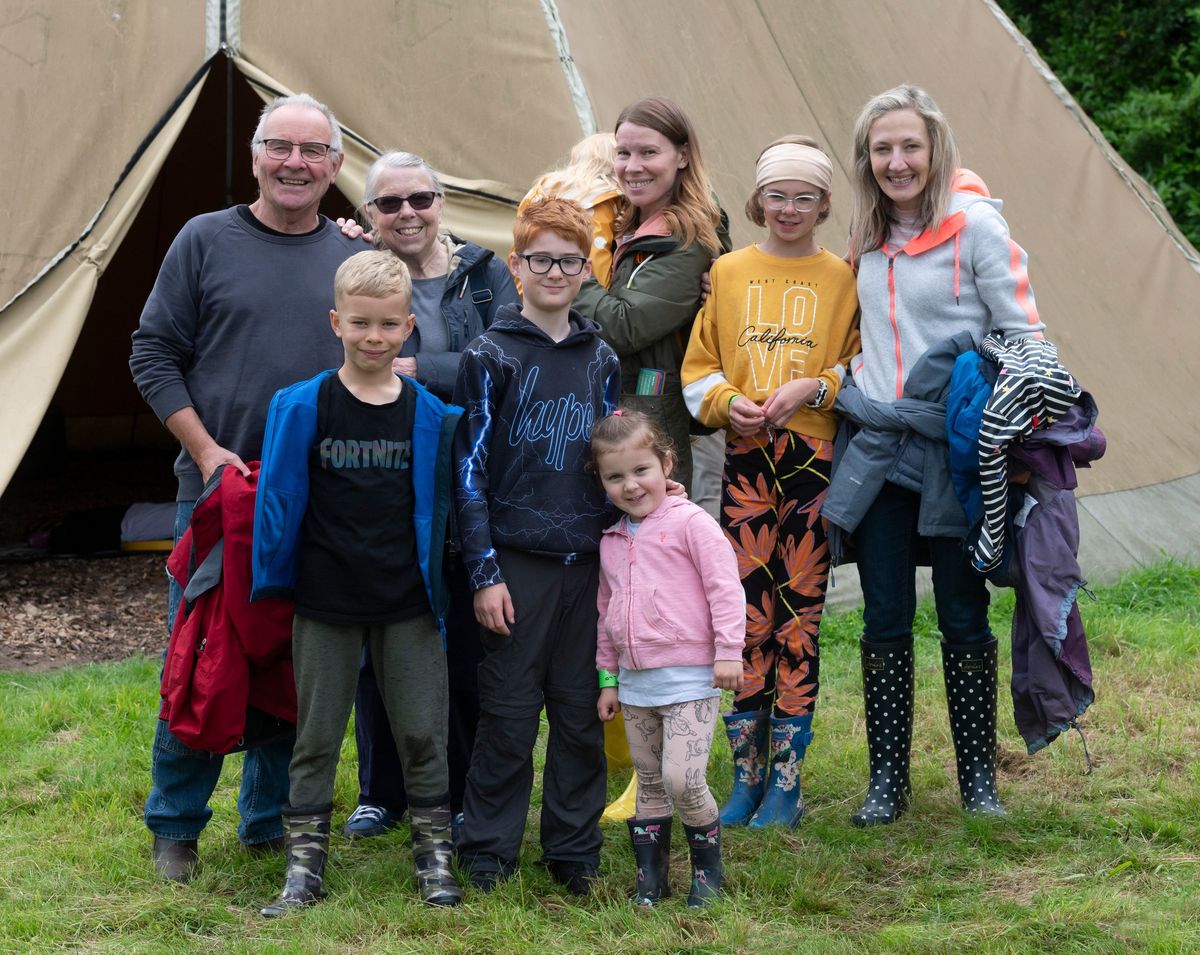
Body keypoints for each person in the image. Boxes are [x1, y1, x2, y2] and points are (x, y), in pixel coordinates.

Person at [129, 93, 360, 881]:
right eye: (279, 146)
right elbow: (152, 352)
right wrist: (207, 452)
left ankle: (267, 820)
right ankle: (175, 824)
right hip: (221, 493)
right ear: (255, 155)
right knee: (204, 659)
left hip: (321, 502)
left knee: (294, 668)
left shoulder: (351, 260)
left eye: (312, 150)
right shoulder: (205, 240)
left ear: (335, 165)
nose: (295, 162)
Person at [823, 85, 1046, 826]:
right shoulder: (867, 235)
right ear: (867, 159)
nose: (896, 161)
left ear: (934, 148)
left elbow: (1025, 337)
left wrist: (1009, 426)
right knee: (884, 609)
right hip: (882, 444)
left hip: (959, 448)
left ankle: (978, 780)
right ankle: (887, 781)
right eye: (881, 148)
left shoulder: (977, 228)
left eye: (909, 146)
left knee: (960, 607)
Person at [252, 250, 463, 914]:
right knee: (316, 734)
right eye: (361, 324)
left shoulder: (430, 413)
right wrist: (273, 582)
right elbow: (278, 501)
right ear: (337, 322)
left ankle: (434, 857)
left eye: (389, 325)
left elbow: (442, 511)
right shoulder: (301, 405)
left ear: (408, 328)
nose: (374, 338)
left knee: (423, 729)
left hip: (407, 601)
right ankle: (304, 867)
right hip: (326, 600)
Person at [681, 137, 860, 829]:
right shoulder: (728, 271)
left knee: (800, 616)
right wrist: (732, 402)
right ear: (758, 201)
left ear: (822, 203)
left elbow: (862, 363)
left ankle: (788, 780)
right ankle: (745, 779)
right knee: (747, 611)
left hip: (812, 456)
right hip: (748, 457)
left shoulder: (841, 278)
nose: (789, 208)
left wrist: (813, 386)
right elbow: (700, 366)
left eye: (804, 196)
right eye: (777, 195)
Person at [342, 151, 519, 841]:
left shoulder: (485, 273)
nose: (406, 213)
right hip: (379, 477)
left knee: (469, 646)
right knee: (378, 635)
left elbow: (507, 357)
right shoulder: (355, 267)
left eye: (419, 198)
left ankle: (465, 787)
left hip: (467, 480)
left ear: (442, 200)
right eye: (388, 204)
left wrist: (422, 368)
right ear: (368, 215)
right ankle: (380, 789)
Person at [452, 198, 620, 896]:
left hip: (588, 560)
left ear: (587, 270)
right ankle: (488, 846)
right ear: (515, 266)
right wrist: (484, 570)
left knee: (581, 710)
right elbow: (468, 470)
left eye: (570, 260)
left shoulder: (602, 357)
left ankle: (573, 847)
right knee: (510, 712)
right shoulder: (490, 354)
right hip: (516, 562)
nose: (556, 271)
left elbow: (617, 461)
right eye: (541, 259)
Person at [592, 409, 744, 909]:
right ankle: (651, 880)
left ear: (666, 464)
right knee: (650, 782)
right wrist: (609, 680)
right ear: (602, 481)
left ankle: (708, 873)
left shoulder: (692, 524)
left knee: (683, 777)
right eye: (615, 477)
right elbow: (605, 614)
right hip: (636, 685)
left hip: (690, 679)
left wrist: (728, 652)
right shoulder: (612, 542)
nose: (631, 486)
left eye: (641, 470)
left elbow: (725, 589)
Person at [573, 96, 730, 494]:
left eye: (649, 153)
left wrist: (570, 271)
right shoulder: (621, 222)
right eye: (623, 153)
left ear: (681, 157)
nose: (632, 166)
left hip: (650, 426)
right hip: (611, 413)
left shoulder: (689, 238)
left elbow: (624, 326)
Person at [515, 132, 622, 288]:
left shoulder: (539, 189)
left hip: (526, 291)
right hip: (572, 297)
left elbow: (517, 244)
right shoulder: (604, 198)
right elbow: (597, 256)